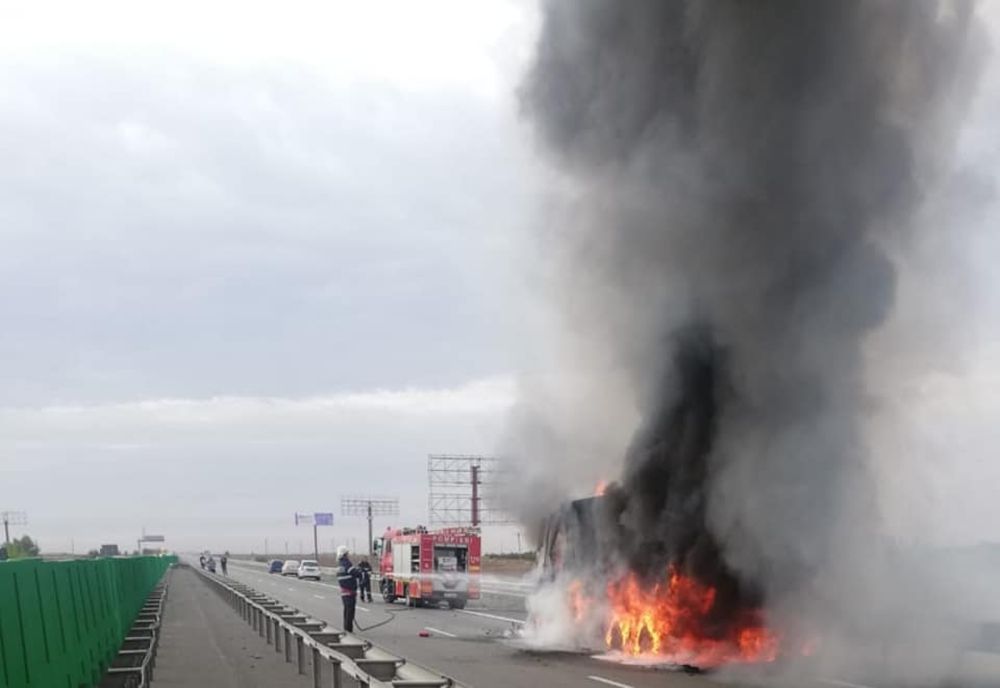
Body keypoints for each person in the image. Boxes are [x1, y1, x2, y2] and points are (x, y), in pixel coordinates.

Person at [336, 545, 363, 632]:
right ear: (344, 554)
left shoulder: (340, 564)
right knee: (350, 611)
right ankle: (348, 630)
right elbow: (354, 573)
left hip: (344, 592)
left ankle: (346, 628)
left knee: (346, 610)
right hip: (350, 591)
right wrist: (361, 573)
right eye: (347, 553)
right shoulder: (346, 563)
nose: (348, 555)